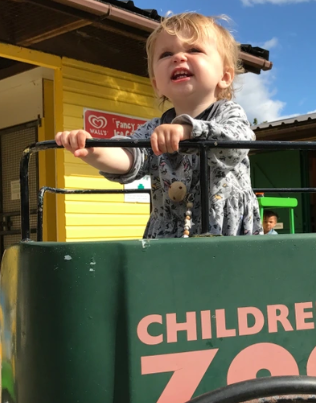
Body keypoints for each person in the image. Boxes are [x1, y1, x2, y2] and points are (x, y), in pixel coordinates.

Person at [54, 12, 262, 238]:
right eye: (166, 54)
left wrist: (188, 130)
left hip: (224, 230)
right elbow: (129, 157)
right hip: (168, 231)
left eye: (194, 50)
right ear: (156, 84)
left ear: (225, 76)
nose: (179, 57)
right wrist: (93, 149)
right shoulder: (155, 128)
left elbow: (238, 143)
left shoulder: (228, 113)